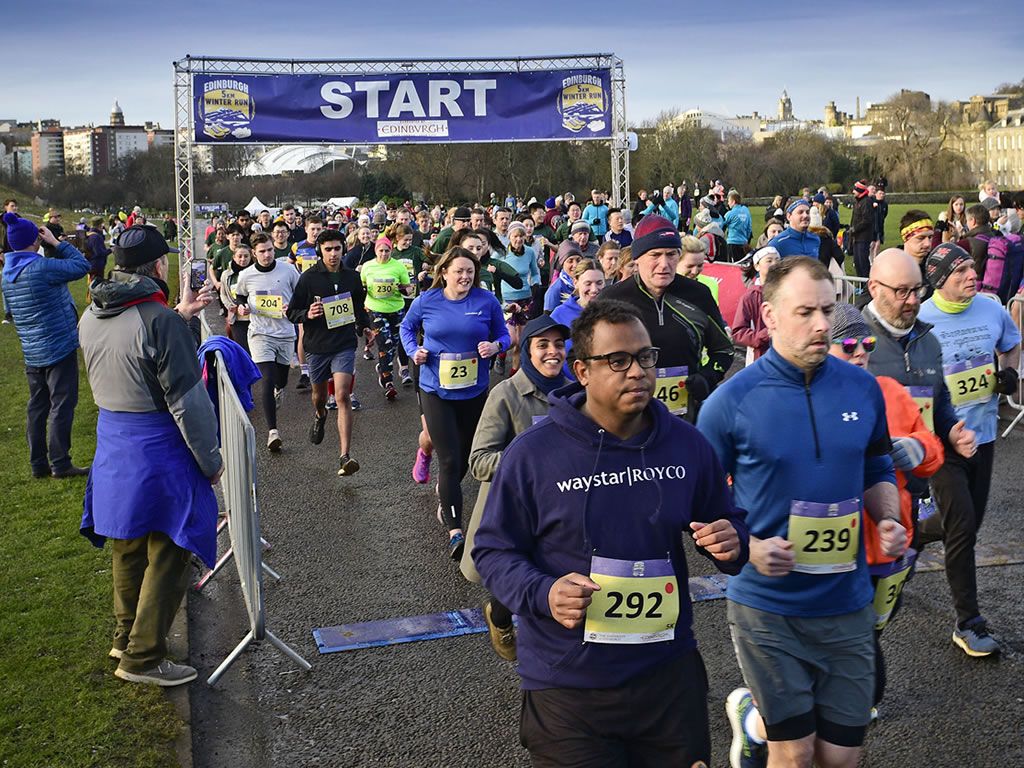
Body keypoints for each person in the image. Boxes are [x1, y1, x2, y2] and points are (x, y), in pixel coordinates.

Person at [473, 299, 749, 767]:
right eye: (617, 361)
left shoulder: (686, 444)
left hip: (666, 676)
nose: (638, 372)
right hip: (568, 687)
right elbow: (493, 551)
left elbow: (730, 525)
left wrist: (732, 542)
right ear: (581, 371)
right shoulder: (533, 455)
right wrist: (544, 593)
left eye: (645, 357)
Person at [699, 256, 905, 768]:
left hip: (848, 601)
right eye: (805, 311)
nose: (821, 325)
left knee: (839, 758)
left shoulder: (862, 389)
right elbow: (700, 504)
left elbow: (877, 464)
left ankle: (751, 718)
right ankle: (760, 725)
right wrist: (748, 548)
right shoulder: (730, 403)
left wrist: (888, 517)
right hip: (768, 609)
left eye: (828, 310)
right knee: (794, 754)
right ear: (768, 317)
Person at [79, 224, 221, 687]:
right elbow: (188, 401)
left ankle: (125, 637)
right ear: (159, 267)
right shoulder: (158, 321)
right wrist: (211, 460)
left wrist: (176, 316)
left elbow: (130, 347)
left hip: (113, 440)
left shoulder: (93, 311)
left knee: (127, 541)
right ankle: (143, 656)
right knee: (171, 546)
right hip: (157, 444)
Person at [825, 302, 943, 717]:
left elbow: (932, 451)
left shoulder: (890, 391)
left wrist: (916, 449)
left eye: (867, 343)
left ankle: (853, 698)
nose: (860, 353)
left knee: (871, 628)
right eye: (849, 345)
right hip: (830, 547)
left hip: (887, 546)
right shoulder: (804, 399)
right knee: (841, 630)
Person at [917, 243, 1020, 656]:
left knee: (968, 523)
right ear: (940, 280)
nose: (971, 275)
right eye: (959, 271)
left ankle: (913, 535)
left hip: (983, 434)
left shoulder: (992, 309)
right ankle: (969, 622)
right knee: (962, 527)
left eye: (971, 268)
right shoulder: (921, 319)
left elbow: (1011, 343)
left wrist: (1009, 372)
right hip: (940, 439)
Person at [461, 315, 570, 661]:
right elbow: (479, 461)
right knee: (513, 585)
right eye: (543, 345)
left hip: (566, 508)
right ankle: (499, 614)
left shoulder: (577, 391)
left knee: (561, 585)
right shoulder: (506, 394)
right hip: (516, 511)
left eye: (557, 344)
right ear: (526, 352)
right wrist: (531, 465)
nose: (552, 352)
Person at [400, 248, 509, 561]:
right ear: (444, 272)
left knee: (466, 457)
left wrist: (495, 346)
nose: (465, 277)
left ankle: (445, 495)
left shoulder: (486, 301)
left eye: (470, 272)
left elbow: (504, 335)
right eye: (459, 271)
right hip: (436, 389)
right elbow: (407, 328)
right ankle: (455, 532)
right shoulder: (427, 301)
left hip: (474, 392)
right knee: (448, 460)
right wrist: (414, 350)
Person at [600, 215, 733, 422]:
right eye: (655, 255)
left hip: (684, 417)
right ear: (637, 258)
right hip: (627, 419)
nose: (664, 264)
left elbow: (723, 350)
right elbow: (581, 357)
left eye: (671, 255)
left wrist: (707, 378)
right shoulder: (611, 299)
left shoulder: (698, 295)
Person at [2, 213, 91, 478]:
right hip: (58, 346)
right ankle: (61, 462)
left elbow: (10, 313)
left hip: (31, 350)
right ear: (34, 241)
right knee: (61, 404)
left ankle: (38, 463)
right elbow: (81, 265)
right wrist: (56, 242)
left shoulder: (6, 276)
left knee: (37, 406)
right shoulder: (42, 267)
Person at [288, 229, 370, 476]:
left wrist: (366, 326)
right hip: (317, 346)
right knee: (319, 396)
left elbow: (358, 307)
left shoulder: (352, 278)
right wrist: (307, 315)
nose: (333, 254)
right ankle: (320, 414)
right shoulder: (308, 279)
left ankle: (345, 456)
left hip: (344, 343)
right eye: (328, 249)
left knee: (343, 394)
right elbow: (292, 312)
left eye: (337, 249)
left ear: (343, 249)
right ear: (319, 251)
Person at [234, 232, 301, 451]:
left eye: (270, 250)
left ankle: (279, 389)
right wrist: (242, 306)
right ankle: (273, 432)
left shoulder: (289, 271)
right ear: (254, 253)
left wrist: (291, 308)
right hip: (260, 333)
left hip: (285, 332)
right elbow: (241, 295)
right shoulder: (246, 275)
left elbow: (302, 295)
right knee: (267, 378)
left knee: (281, 379)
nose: (267, 255)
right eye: (262, 251)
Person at [361, 236, 413, 400]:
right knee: (385, 343)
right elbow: (362, 285)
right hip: (375, 309)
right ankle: (388, 381)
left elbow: (408, 288)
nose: (383, 254)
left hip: (396, 309)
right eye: (381, 250)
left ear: (391, 251)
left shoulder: (398, 267)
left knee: (394, 344)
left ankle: (382, 367)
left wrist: (403, 289)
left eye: (387, 251)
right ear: (376, 251)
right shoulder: (368, 266)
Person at [497, 221, 541, 373]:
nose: (518, 240)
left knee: (521, 340)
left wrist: (536, 284)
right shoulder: (501, 253)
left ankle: (514, 373)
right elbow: (492, 270)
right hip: (507, 298)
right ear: (509, 237)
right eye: (515, 236)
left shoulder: (529, 252)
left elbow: (535, 272)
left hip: (525, 297)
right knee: (511, 338)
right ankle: (501, 355)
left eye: (521, 236)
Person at [551, 258, 605, 378]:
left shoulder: (613, 313)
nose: (594, 289)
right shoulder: (559, 315)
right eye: (588, 283)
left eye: (599, 283)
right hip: (570, 388)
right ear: (575, 282)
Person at [732, 246, 780, 364]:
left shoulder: (788, 292)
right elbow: (738, 332)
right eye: (769, 260)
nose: (774, 264)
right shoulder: (750, 297)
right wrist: (764, 335)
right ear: (757, 266)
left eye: (778, 260)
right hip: (759, 359)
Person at [768, 199, 844, 270]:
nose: (805, 215)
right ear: (789, 216)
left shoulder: (815, 239)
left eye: (807, 212)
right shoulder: (777, 243)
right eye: (800, 212)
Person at [219, 243, 253, 355]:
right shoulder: (226, 275)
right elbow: (223, 294)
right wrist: (229, 305)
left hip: (254, 318)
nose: (243, 259)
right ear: (234, 257)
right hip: (236, 319)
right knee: (242, 349)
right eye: (240, 256)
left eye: (246, 256)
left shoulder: (256, 273)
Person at [543, 240, 582, 312]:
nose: (575, 265)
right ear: (562, 263)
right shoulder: (555, 289)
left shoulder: (587, 283)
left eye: (578, 260)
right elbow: (549, 320)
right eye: (570, 261)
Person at [849, 180, 875, 278]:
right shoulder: (857, 202)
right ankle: (861, 283)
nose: (853, 192)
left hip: (863, 237)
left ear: (859, 190)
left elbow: (867, 220)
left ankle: (866, 283)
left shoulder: (866, 202)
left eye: (855, 190)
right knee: (857, 262)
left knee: (863, 262)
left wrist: (855, 229)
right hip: (856, 237)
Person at [723, 191, 753, 262]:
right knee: (743, 265)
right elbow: (749, 227)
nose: (728, 203)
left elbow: (721, 225)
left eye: (729, 201)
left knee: (733, 266)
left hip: (733, 243)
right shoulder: (746, 211)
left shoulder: (730, 213)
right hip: (744, 243)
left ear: (733, 201)